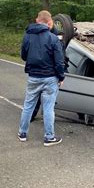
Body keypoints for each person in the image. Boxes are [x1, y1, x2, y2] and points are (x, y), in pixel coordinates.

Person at [18, 10, 65, 147]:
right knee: (49, 108)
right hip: (50, 78)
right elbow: (59, 62)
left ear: (37, 20)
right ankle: (49, 137)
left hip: (33, 76)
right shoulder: (53, 38)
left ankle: (22, 133)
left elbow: (23, 56)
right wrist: (61, 76)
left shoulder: (27, 36)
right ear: (49, 22)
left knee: (28, 105)